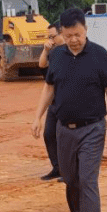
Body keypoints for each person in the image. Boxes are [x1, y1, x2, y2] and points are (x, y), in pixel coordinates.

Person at [31, 8, 107, 212]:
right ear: (61, 33)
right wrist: (37, 117)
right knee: (70, 180)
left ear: (86, 31)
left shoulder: (99, 55)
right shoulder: (57, 56)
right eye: (69, 35)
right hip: (64, 129)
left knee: (87, 181)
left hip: (92, 128)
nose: (74, 39)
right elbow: (49, 87)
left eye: (79, 34)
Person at [37, 22, 64, 182]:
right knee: (49, 134)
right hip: (54, 102)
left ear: (62, 34)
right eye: (49, 37)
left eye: (52, 36)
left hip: (67, 103)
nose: (51, 40)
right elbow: (41, 65)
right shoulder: (54, 53)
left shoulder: (70, 53)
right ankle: (57, 167)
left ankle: (68, 171)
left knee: (64, 137)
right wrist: (46, 49)